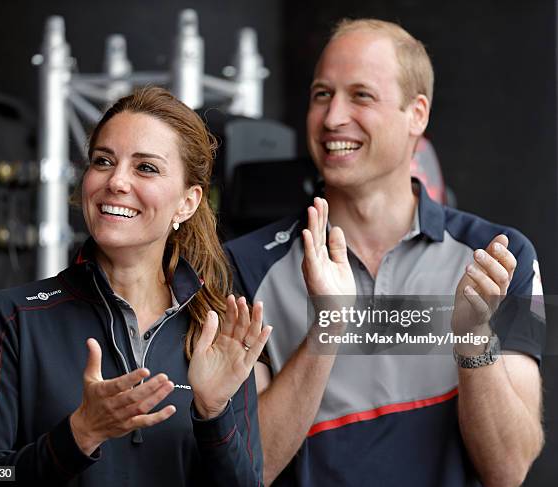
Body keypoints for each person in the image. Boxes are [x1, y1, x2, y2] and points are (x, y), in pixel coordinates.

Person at [227, 19, 545, 487]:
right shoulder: (245, 264)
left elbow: (508, 470)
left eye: (361, 95)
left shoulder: (501, 256)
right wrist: (328, 326)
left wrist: (475, 339)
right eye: (321, 94)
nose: (333, 117)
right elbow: (250, 469)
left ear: (417, 113)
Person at [0, 86, 271, 486]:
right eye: (103, 161)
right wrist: (79, 435)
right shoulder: (12, 316)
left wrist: (213, 412)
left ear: (188, 203)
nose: (117, 181)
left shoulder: (217, 332)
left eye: (146, 168)